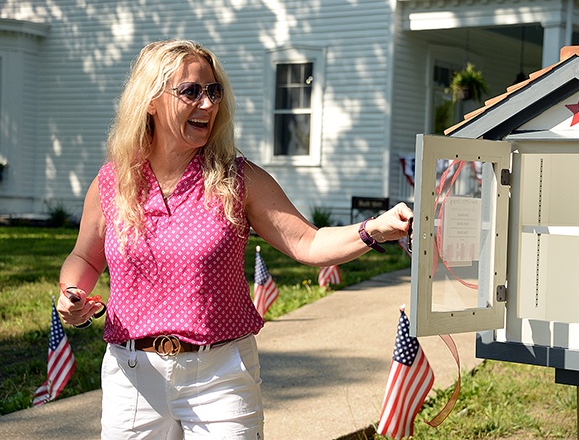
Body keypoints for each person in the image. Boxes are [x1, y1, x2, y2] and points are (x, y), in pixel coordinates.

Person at [56, 39, 413, 440]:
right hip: (133, 376)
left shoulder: (238, 180)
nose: (208, 104)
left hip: (220, 376)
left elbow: (308, 243)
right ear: (151, 100)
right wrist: (72, 293)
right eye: (191, 91)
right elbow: (85, 258)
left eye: (214, 91)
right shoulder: (113, 182)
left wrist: (374, 229)